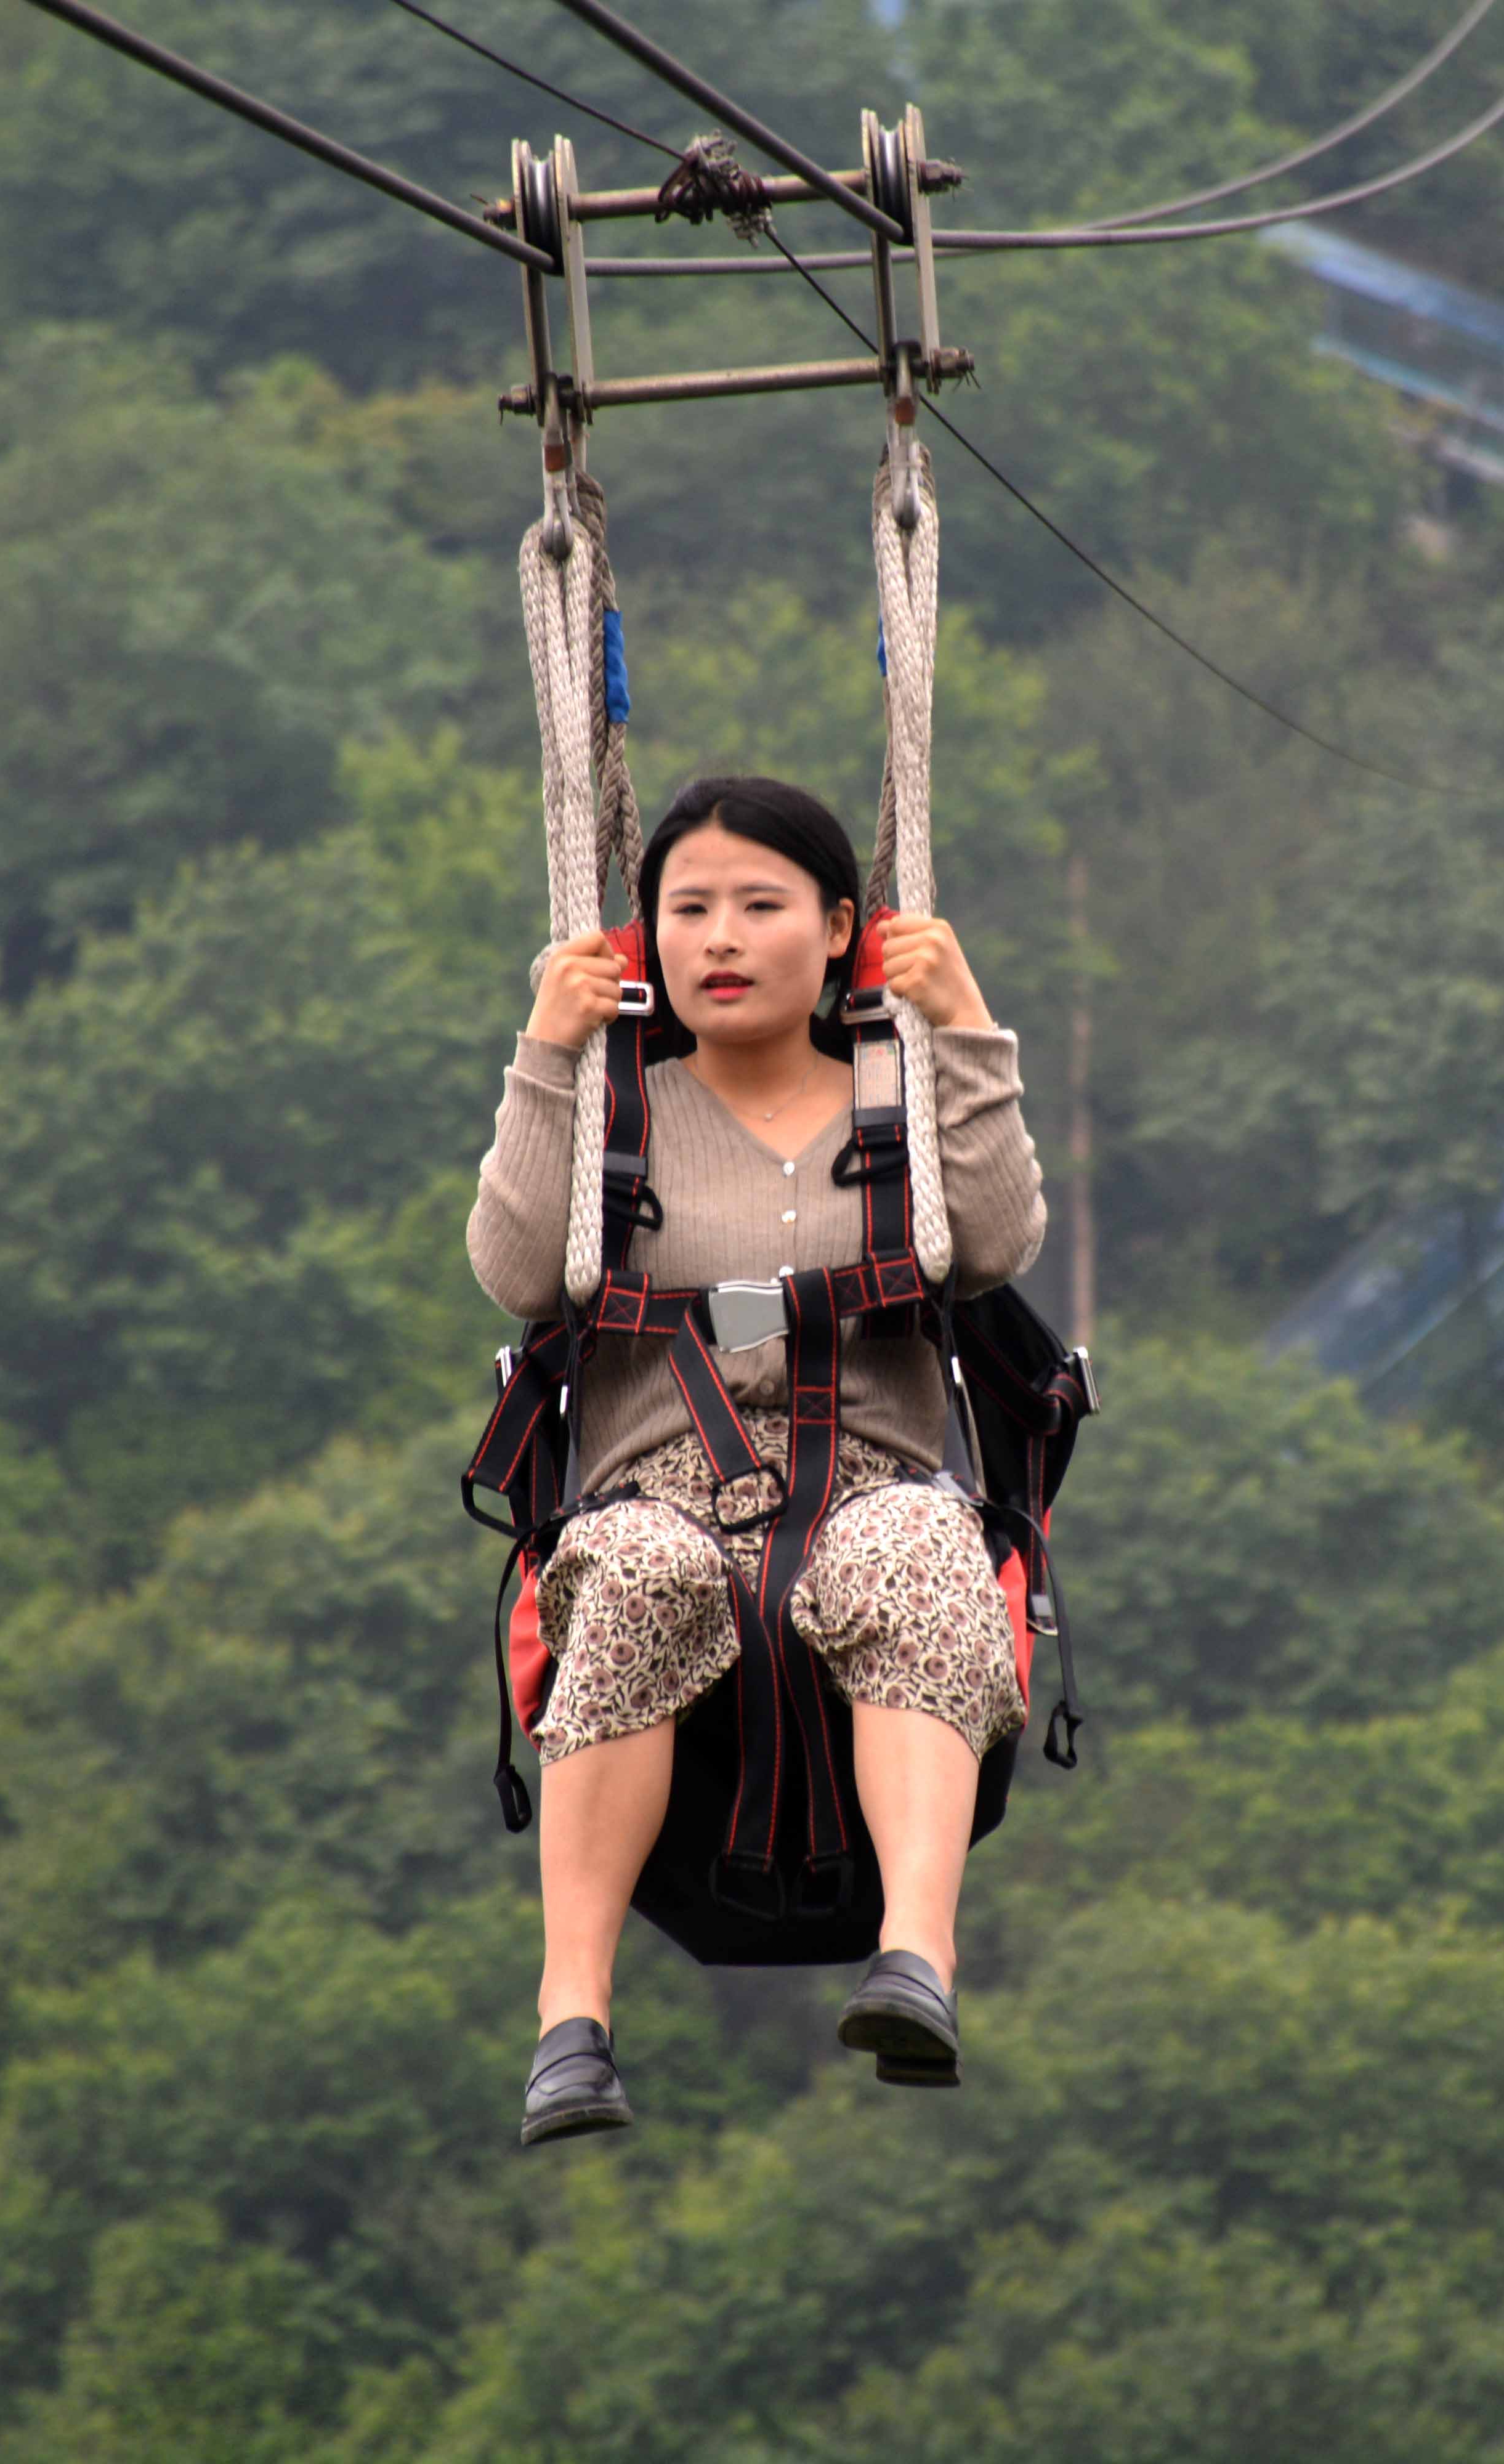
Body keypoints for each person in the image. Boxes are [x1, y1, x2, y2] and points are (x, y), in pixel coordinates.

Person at [468, 774, 1047, 2145]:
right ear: (647, 943)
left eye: (759, 906)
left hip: (873, 1476)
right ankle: (571, 2014)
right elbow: (510, 1267)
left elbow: (1004, 1241)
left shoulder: (895, 1102)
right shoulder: (623, 1109)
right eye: (690, 910)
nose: (720, 937)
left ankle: (917, 1955)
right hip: (655, 1487)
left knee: (915, 1555)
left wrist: (963, 1025)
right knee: (649, 1573)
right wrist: (546, 1057)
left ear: (841, 928)